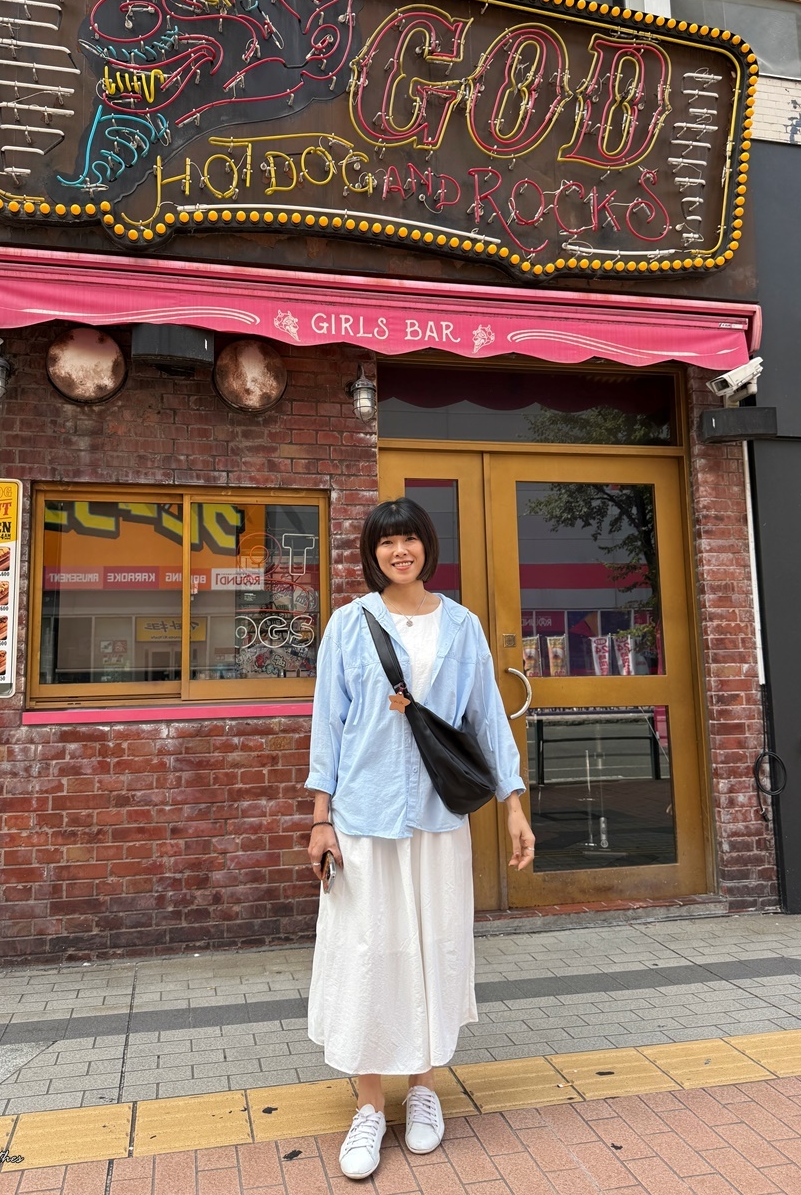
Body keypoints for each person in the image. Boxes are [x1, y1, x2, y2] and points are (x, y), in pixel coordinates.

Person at [305, 497, 536, 1181]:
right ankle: (369, 1105)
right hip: (363, 817)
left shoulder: (461, 625)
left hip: (438, 819)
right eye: (386, 542)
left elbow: (487, 719)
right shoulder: (348, 624)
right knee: (367, 953)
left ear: (427, 547)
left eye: (409, 539)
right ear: (372, 553)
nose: (398, 551)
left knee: (434, 947)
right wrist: (320, 818)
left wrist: (514, 804)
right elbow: (328, 724)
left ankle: (425, 1089)